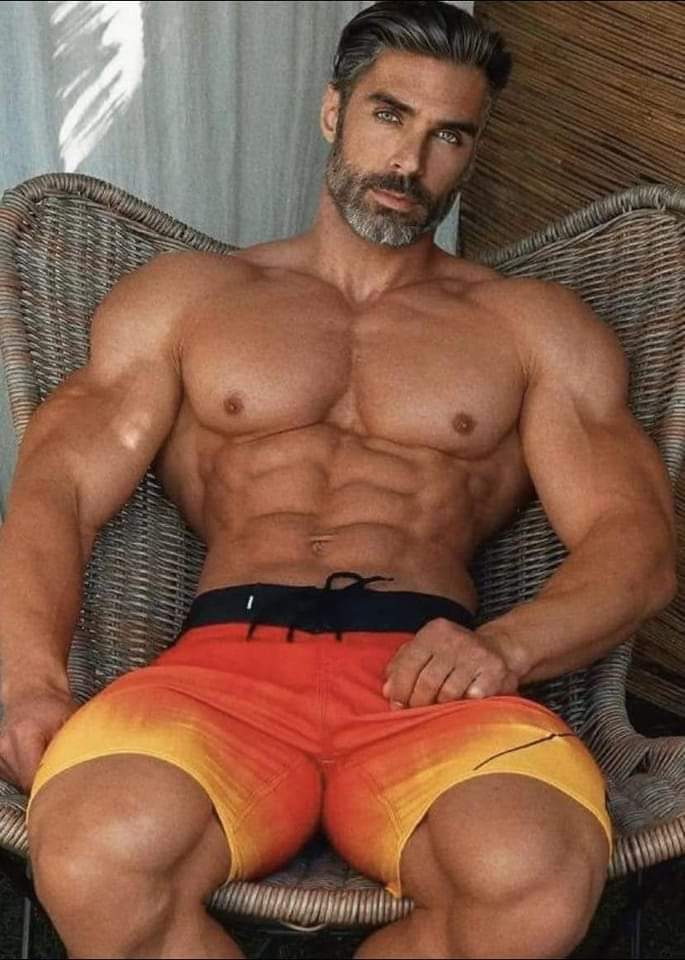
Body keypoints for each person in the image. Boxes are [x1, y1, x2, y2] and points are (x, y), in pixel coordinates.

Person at [0, 2, 676, 958]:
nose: (409, 161)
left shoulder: (533, 327)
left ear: (471, 153)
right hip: (216, 674)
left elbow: (634, 544)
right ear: (332, 112)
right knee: (96, 855)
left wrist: (507, 645)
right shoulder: (190, 299)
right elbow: (56, 490)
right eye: (389, 115)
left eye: (449, 135)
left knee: (532, 876)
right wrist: (29, 684)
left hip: (430, 683)